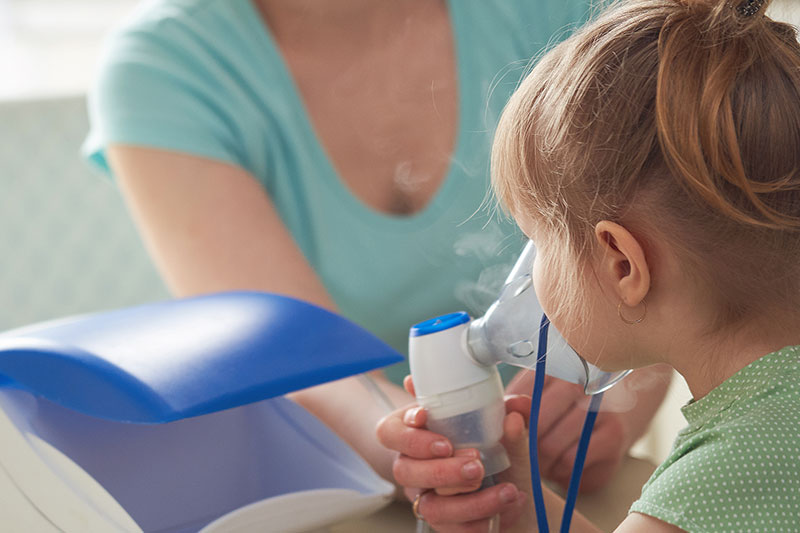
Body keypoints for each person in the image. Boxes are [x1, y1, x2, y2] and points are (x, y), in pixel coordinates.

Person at [83, 0, 668, 492]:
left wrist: (622, 381)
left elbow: (684, 255)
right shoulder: (164, 70)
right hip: (340, 498)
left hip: (568, 488)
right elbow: (291, 361)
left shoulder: (566, 12)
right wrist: (428, 451)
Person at [377, 0, 800, 530]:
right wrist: (517, 501)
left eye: (539, 242)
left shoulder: (717, 479)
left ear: (623, 264)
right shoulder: (770, 422)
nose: (528, 274)